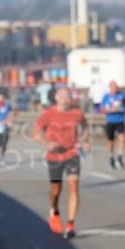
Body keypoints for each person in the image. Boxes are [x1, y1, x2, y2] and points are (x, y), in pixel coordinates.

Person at [34, 87, 90, 238]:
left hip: (72, 153)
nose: (66, 99)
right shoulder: (49, 114)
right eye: (63, 96)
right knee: (56, 189)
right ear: (57, 98)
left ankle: (70, 224)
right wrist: (47, 143)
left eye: (68, 96)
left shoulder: (77, 112)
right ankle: (54, 211)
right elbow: (36, 133)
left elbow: (85, 127)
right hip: (54, 155)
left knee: (74, 186)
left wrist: (84, 141)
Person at [100, 81, 125, 169]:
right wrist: (110, 110)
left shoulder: (121, 95)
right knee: (110, 141)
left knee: (122, 139)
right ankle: (111, 157)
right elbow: (102, 110)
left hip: (120, 120)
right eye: (112, 87)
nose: (114, 89)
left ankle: (119, 158)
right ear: (109, 88)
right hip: (110, 121)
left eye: (116, 87)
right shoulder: (106, 97)